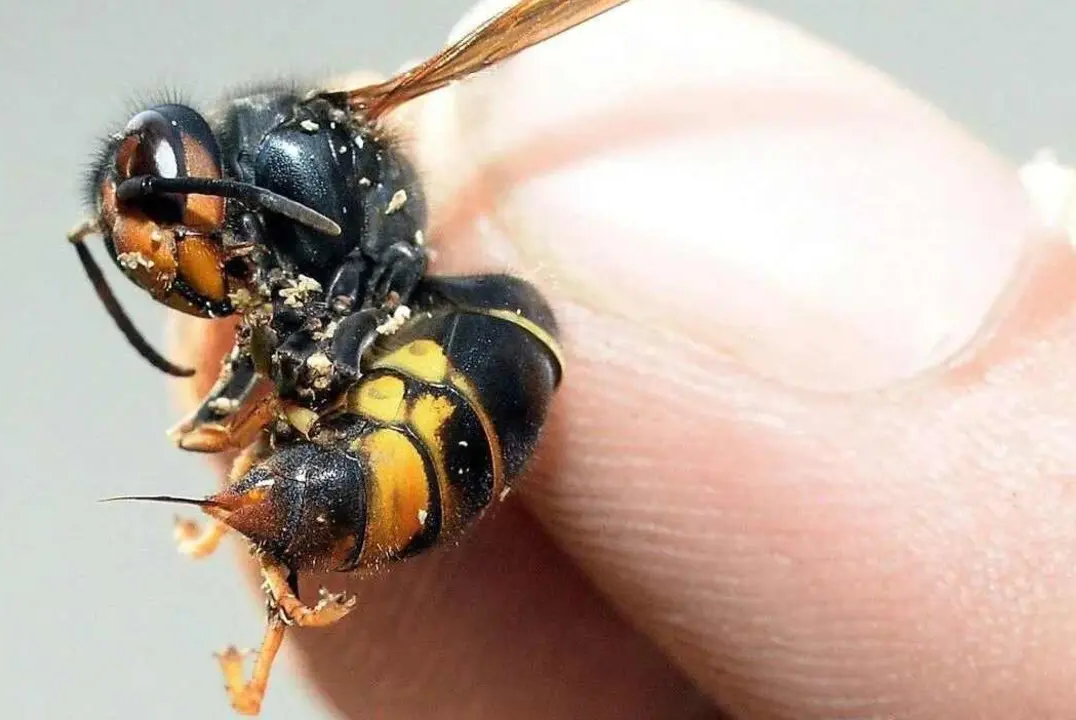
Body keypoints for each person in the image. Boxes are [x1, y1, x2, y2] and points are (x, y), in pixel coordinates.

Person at [171, 1, 1076, 717]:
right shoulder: (296, 291)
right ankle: (296, 511)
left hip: (469, 360)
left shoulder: (314, 171)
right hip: (423, 387)